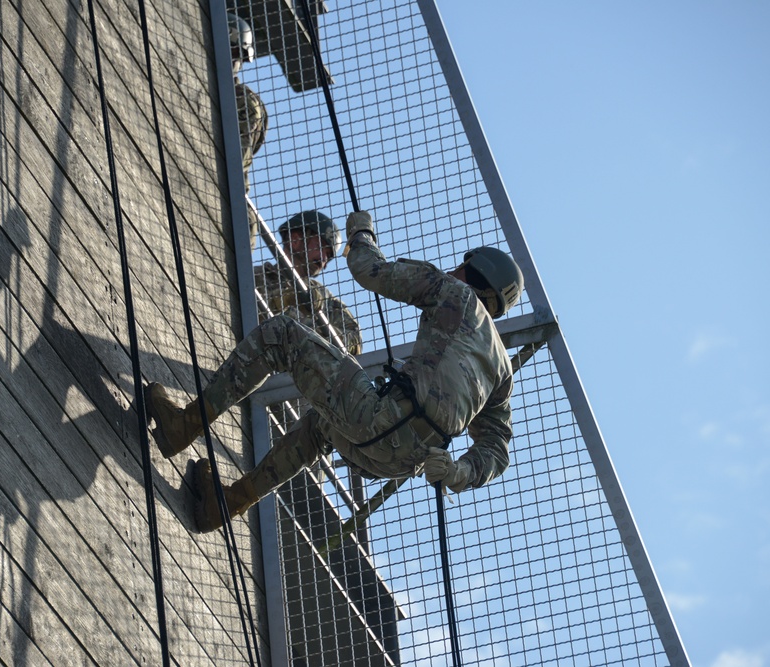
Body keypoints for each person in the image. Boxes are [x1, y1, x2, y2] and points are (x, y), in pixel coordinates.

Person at [146, 211, 523, 533]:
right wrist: (458, 472)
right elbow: (496, 448)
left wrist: (361, 232)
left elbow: (369, 270)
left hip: (376, 418)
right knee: (319, 425)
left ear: (473, 272)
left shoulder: (456, 294)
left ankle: (183, 426)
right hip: (396, 463)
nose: (454, 268)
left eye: (461, 265)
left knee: (282, 335)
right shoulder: (502, 371)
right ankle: (226, 503)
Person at [255, 210, 362, 355]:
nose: (324, 260)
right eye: (321, 246)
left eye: (329, 256)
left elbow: (355, 341)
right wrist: (283, 301)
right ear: (295, 240)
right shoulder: (256, 276)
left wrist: (317, 329)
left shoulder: (323, 296)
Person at [227, 13, 269, 249]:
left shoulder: (244, 101)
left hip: (230, 193)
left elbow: (239, 155)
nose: (234, 60)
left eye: (236, 55)